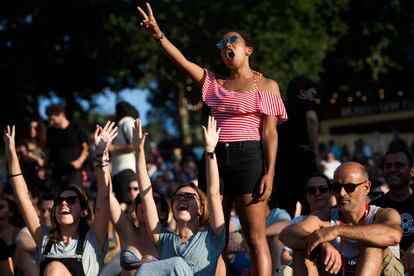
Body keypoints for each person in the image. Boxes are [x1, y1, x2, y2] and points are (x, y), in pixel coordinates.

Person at [137, 4, 287, 275]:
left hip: (249, 157)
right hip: (214, 159)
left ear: (248, 49)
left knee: (255, 238)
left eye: (233, 40)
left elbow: (270, 133)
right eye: (222, 43)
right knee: (213, 239)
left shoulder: (267, 86)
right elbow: (182, 61)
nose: (226, 45)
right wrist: (159, 34)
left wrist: (271, 172)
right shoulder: (213, 83)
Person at [3, 122, 116, 275]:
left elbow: (104, 196)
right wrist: (12, 154)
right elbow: (22, 198)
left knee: (54, 269)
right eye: (59, 201)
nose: (63, 203)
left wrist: (101, 152)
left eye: (71, 201)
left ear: (83, 211)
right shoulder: (43, 237)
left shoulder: (93, 239)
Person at [132, 116, 225, 275]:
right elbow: (146, 197)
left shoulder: (213, 236)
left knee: (173, 263)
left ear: (201, 209)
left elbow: (214, 194)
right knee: (145, 268)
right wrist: (139, 153)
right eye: (178, 197)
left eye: (189, 196)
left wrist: (210, 150)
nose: (182, 198)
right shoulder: (164, 239)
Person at [279, 162, 403, 275]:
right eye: (337, 187)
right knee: (302, 249)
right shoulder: (325, 216)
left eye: (349, 187)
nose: (341, 193)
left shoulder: (383, 214)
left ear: (366, 188)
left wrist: (337, 230)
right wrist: (322, 243)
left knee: (372, 245)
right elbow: (286, 234)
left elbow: (394, 235)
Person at [274, 76, 319, 217]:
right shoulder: (307, 105)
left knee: (286, 203)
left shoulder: (281, 106)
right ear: (302, 92)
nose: (314, 98)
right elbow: (311, 118)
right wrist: (314, 147)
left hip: (281, 160)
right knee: (311, 199)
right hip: (302, 156)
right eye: (312, 94)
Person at [279, 172, 336, 271]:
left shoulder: (339, 216)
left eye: (323, 189)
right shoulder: (299, 221)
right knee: (299, 252)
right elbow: (285, 255)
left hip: (335, 269)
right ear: (306, 195)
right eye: (312, 190)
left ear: (331, 192)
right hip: (307, 268)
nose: (317, 193)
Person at [371, 148, 414, 274]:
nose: (392, 169)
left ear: (412, 171)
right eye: (388, 166)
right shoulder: (375, 207)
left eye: (399, 165)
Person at [45, 104, 89, 191]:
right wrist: (45, 168)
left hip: (74, 171)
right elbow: (49, 151)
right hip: (57, 172)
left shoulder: (77, 128)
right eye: (50, 119)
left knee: (74, 197)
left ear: (61, 115)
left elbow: (86, 148)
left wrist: (79, 161)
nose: (51, 122)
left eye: (53, 119)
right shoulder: (50, 132)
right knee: (53, 198)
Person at [14, 194, 54, 276]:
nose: (45, 215)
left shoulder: (66, 230)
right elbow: (20, 240)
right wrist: (45, 250)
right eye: (42, 211)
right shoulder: (36, 228)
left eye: (50, 210)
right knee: (24, 252)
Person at [109, 101, 140, 207]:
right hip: (119, 171)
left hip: (126, 170)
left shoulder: (127, 122)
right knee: (121, 204)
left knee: (127, 204)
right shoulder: (122, 124)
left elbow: (135, 144)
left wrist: (113, 148)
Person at [18, 118, 48, 195]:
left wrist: (31, 156)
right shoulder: (23, 144)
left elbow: (42, 163)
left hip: (38, 182)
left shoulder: (44, 146)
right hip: (24, 179)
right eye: (30, 127)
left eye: (35, 128)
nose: (32, 130)